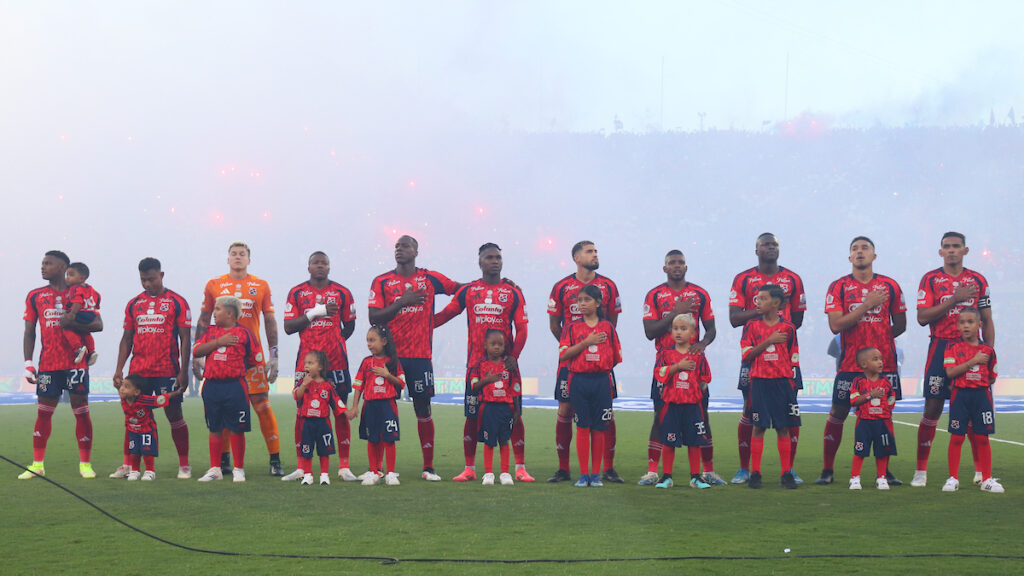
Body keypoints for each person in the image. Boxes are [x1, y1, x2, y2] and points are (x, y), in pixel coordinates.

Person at [434, 243, 531, 483]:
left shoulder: (513, 293)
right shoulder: (469, 291)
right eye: (489, 257)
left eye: (498, 257)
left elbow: (522, 329)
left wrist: (513, 358)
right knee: (472, 416)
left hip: (507, 368)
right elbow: (446, 314)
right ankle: (469, 468)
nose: (495, 261)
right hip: (476, 367)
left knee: (515, 414)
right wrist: (419, 325)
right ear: (480, 262)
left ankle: (520, 468)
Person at [816, 236, 906, 486]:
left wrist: (878, 341)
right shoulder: (839, 286)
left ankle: (884, 471)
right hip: (850, 366)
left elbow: (900, 324)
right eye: (854, 249)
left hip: (884, 364)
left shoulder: (890, 286)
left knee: (883, 415)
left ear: (874, 256)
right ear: (849, 257)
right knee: (838, 413)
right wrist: (866, 306)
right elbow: (836, 325)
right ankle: (827, 470)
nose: (859, 252)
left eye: (865, 248)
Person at [367, 235, 459, 481]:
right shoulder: (382, 281)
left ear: (416, 251)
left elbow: (461, 290)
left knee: (423, 409)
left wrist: (437, 320)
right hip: (390, 357)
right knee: (381, 408)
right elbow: (374, 317)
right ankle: (376, 469)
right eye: (397, 246)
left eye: (405, 246)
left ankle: (428, 467)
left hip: (420, 356)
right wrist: (402, 302)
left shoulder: (429, 278)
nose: (399, 249)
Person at [912, 232, 994, 488]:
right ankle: (921, 471)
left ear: (965, 250)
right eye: (946, 247)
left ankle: (980, 472)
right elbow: (923, 317)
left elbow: (987, 319)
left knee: (972, 409)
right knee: (932, 408)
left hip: (972, 350)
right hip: (941, 347)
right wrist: (954, 300)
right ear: (940, 252)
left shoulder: (978, 280)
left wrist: (988, 354)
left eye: (956, 246)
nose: (951, 251)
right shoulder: (931, 279)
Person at [193, 242, 283, 476]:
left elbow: (270, 319)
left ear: (249, 260)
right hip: (220, 356)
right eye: (233, 254)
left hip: (250, 355)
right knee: (221, 408)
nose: (237, 257)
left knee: (262, 405)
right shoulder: (214, 285)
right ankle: (223, 462)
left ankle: (275, 460)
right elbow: (204, 319)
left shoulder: (260, 285)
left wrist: (273, 353)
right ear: (228, 258)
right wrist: (198, 352)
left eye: (242, 254)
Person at [727, 232, 806, 485]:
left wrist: (778, 329)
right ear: (756, 249)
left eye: (774, 244)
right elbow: (734, 318)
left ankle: (788, 470)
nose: (770, 248)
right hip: (756, 364)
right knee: (751, 415)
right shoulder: (743, 279)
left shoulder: (793, 278)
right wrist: (762, 313)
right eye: (765, 245)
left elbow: (798, 320)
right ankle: (745, 469)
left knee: (789, 417)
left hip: (782, 365)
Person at [20, 250, 104, 480]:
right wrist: (28, 363)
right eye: (42, 263)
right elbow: (29, 331)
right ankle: (37, 464)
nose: (43, 267)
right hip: (48, 363)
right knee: (44, 413)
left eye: (48, 263)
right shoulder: (35, 296)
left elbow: (98, 324)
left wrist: (71, 321)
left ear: (63, 267)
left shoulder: (80, 291)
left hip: (76, 364)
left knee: (81, 411)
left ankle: (85, 464)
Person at [639, 250, 719, 485]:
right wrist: (675, 312)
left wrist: (702, 344)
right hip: (666, 365)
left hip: (693, 366)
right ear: (664, 268)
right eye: (672, 263)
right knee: (659, 417)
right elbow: (649, 332)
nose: (676, 266)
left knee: (701, 417)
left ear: (686, 267)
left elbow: (711, 329)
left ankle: (708, 472)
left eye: (681, 262)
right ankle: (653, 472)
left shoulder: (700, 294)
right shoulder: (654, 295)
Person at [547, 240, 623, 484]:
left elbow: (611, 322)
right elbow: (554, 324)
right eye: (590, 251)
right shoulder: (561, 287)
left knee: (606, 413)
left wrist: (599, 348)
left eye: (596, 251)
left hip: (599, 365)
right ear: (577, 257)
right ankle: (563, 469)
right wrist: (574, 348)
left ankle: (607, 469)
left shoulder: (609, 285)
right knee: (566, 410)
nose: (595, 254)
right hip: (571, 363)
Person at [110, 257, 193, 479]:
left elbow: (185, 339)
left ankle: (184, 465)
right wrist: (119, 369)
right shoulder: (134, 304)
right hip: (139, 372)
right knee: (133, 418)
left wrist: (184, 370)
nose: (147, 284)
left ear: (162, 275)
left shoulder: (177, 302)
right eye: (143, 280)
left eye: (151, 279)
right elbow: (127, 338)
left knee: (174, 415)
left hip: (167, 369)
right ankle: (129, 465)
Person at [281, 251, 358, 482]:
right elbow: (288, 326)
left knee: (340, 412)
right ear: (309, 267)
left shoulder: (343, 292)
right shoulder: (297, 292)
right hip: (306, 362)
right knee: (302, 413)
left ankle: (344, 466)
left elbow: (350, 326)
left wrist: (334, 341)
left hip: (336, 362)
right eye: (316, 263)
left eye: (324, 263)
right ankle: (301, 466)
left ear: (329, 267)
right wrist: (314, 314)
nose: (320, 266)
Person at [558, 285, 622, 488]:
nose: (582, 304)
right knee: (583, 426)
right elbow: (563, 354)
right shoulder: (571, 327)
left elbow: (615, 357)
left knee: (600, 427)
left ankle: (596, 475)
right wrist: (587, 343)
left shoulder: (608, 328)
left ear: (598, 302)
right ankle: (583, 474)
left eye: (586, 299)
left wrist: (598, 365)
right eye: (579, 300)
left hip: (601, 380)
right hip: (579, 380)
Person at [193, 296, 261, 482]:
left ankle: (239, 469)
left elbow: (255, 359)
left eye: (218, 309)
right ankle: (215, 469)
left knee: (236, 428)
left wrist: (235, 369)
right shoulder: (210, 332)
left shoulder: (244, 333)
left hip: (235, 386)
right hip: (212, 386)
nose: (214, 313)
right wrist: (218, 342)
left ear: (230, 313)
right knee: (214, 427)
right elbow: (197, 351)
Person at [741, 285, 800, 489]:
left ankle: (786, 473)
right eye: (757, 298)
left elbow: (794, 358)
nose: (758, 301)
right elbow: (746, 356)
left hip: (782, 382)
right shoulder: (751, 326)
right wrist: (769, 341)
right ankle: (755, 473)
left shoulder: (789, 328)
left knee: (784, 427)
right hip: (760, 382)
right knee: (758, 427)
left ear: (776, 302)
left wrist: (793, 384)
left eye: (763, 298)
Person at [942, 307, 1002, 493]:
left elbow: (992, 376)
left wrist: (977, 380)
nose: (966, 325)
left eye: (970, 322)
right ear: (957, 326)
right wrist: (973, 361)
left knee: (982, 438)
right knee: (957, 437)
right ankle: (953, 478)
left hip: (981, 397)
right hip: (960, 396)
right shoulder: (952, 348)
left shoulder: (988, 351)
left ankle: (986, 479)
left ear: (979, 325)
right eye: (962, 322)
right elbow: (951, 372)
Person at [651, 315, 713, 489]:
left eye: (683, 328)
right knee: (668, 441)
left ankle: (695, 478)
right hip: (671, 405)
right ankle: (667, 477)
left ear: (693, 332)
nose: (678, 332)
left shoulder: (698, 355)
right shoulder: (666, 353)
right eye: (675, 328)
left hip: (692, 406)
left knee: (694, 442)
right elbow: (659, 373)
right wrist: (677, 367)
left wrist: (695, 389)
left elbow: (705, 378)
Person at [348, 325, 406, 486]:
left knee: (389, 440)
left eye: (372, 340)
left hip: (388, 405)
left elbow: (401, 383)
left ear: (384, 341)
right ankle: (374, 472)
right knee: (372, 440)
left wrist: (388, 375)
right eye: (367, 341)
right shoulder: (366, 362)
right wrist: (355, 407)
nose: (369, 344)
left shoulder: (393, 362)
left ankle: (391, 474)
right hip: (370, 406)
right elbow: (358, 385)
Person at [469, 330, 522, 486]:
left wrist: (517, 410)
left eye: (500, 344)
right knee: (489, 441)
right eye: (493, 344)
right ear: (485, 345)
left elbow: (515, 390)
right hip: (488, 408)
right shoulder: (479, 366)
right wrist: (488, 379)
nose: (497, 347)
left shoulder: (509, 366)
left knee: (504, 440)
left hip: (506, 408)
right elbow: (474, 386)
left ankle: (505, 473)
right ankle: (488, 473)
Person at [292, 350, 347, 486]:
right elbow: (296, 396)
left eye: (311, 363)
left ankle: (324, 475)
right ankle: (308, 475)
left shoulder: (328, 385)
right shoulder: (303, 382)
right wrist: (304, 384)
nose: (307, 366)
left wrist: (347, 412)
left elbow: (337, 402)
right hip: (307, 422)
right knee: (306, 450)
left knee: (324, 450)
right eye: (306, 363)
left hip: (323, 423)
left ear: (320, 366)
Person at [848, 347, 897, 490]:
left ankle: (881, 477)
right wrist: (870, 395)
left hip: (882, 422)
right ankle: (855, 478)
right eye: (875, 359)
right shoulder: (858, 381)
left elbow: (892, 396)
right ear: (864, 364)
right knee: (860, 450)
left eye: (880, 359)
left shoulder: (886, 381)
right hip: (864, 422)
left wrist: (888, 409)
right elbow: (853, 400)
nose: (880, 362)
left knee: (882, 451)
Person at [118, 374, 183, 481]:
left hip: (146, 430)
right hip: (132, 430)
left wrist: (177, 392)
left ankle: (150, 471)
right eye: (122, 386)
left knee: (147, 451)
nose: (122, 389)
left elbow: (160, 399)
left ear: (137, 392)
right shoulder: (124, 399)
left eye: (127, 387)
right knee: (134, 451)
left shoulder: (144, 400)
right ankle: (135, 471)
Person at [62, 262, 101, 365]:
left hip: (80, 313)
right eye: (67, 275)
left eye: (71, 275)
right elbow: (98, 296)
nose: (67, 278)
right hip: (91, 313)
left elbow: (78, 301)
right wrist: (95, 307)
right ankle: (92, 351)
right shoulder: (90, 288)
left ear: (81, 278)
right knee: (85, 332)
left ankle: (78, 348)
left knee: (67, 328)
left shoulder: (75, 288)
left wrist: (72, 313)